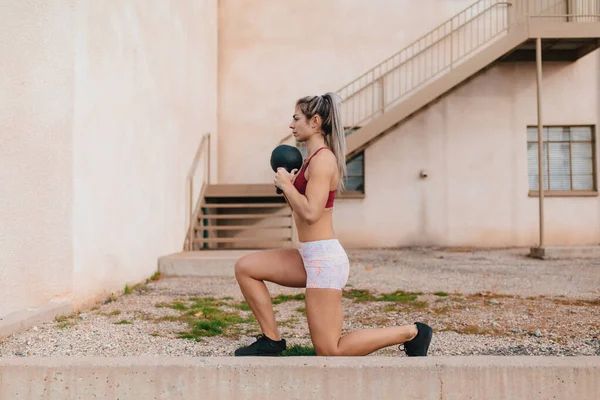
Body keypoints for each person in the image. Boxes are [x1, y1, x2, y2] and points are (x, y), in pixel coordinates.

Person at [233, 92, 432, 357]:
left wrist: (286, 188)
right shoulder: (310, 161)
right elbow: (302, 212)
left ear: (315, 122)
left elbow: (312, 214)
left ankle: (413, 332)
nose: (291, 125)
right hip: (309, 255)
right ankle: (271, 341)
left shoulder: (323, 160)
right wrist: (290, 188)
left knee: (330, 350)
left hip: (325, 261)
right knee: (245, 268)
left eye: (296, 119)